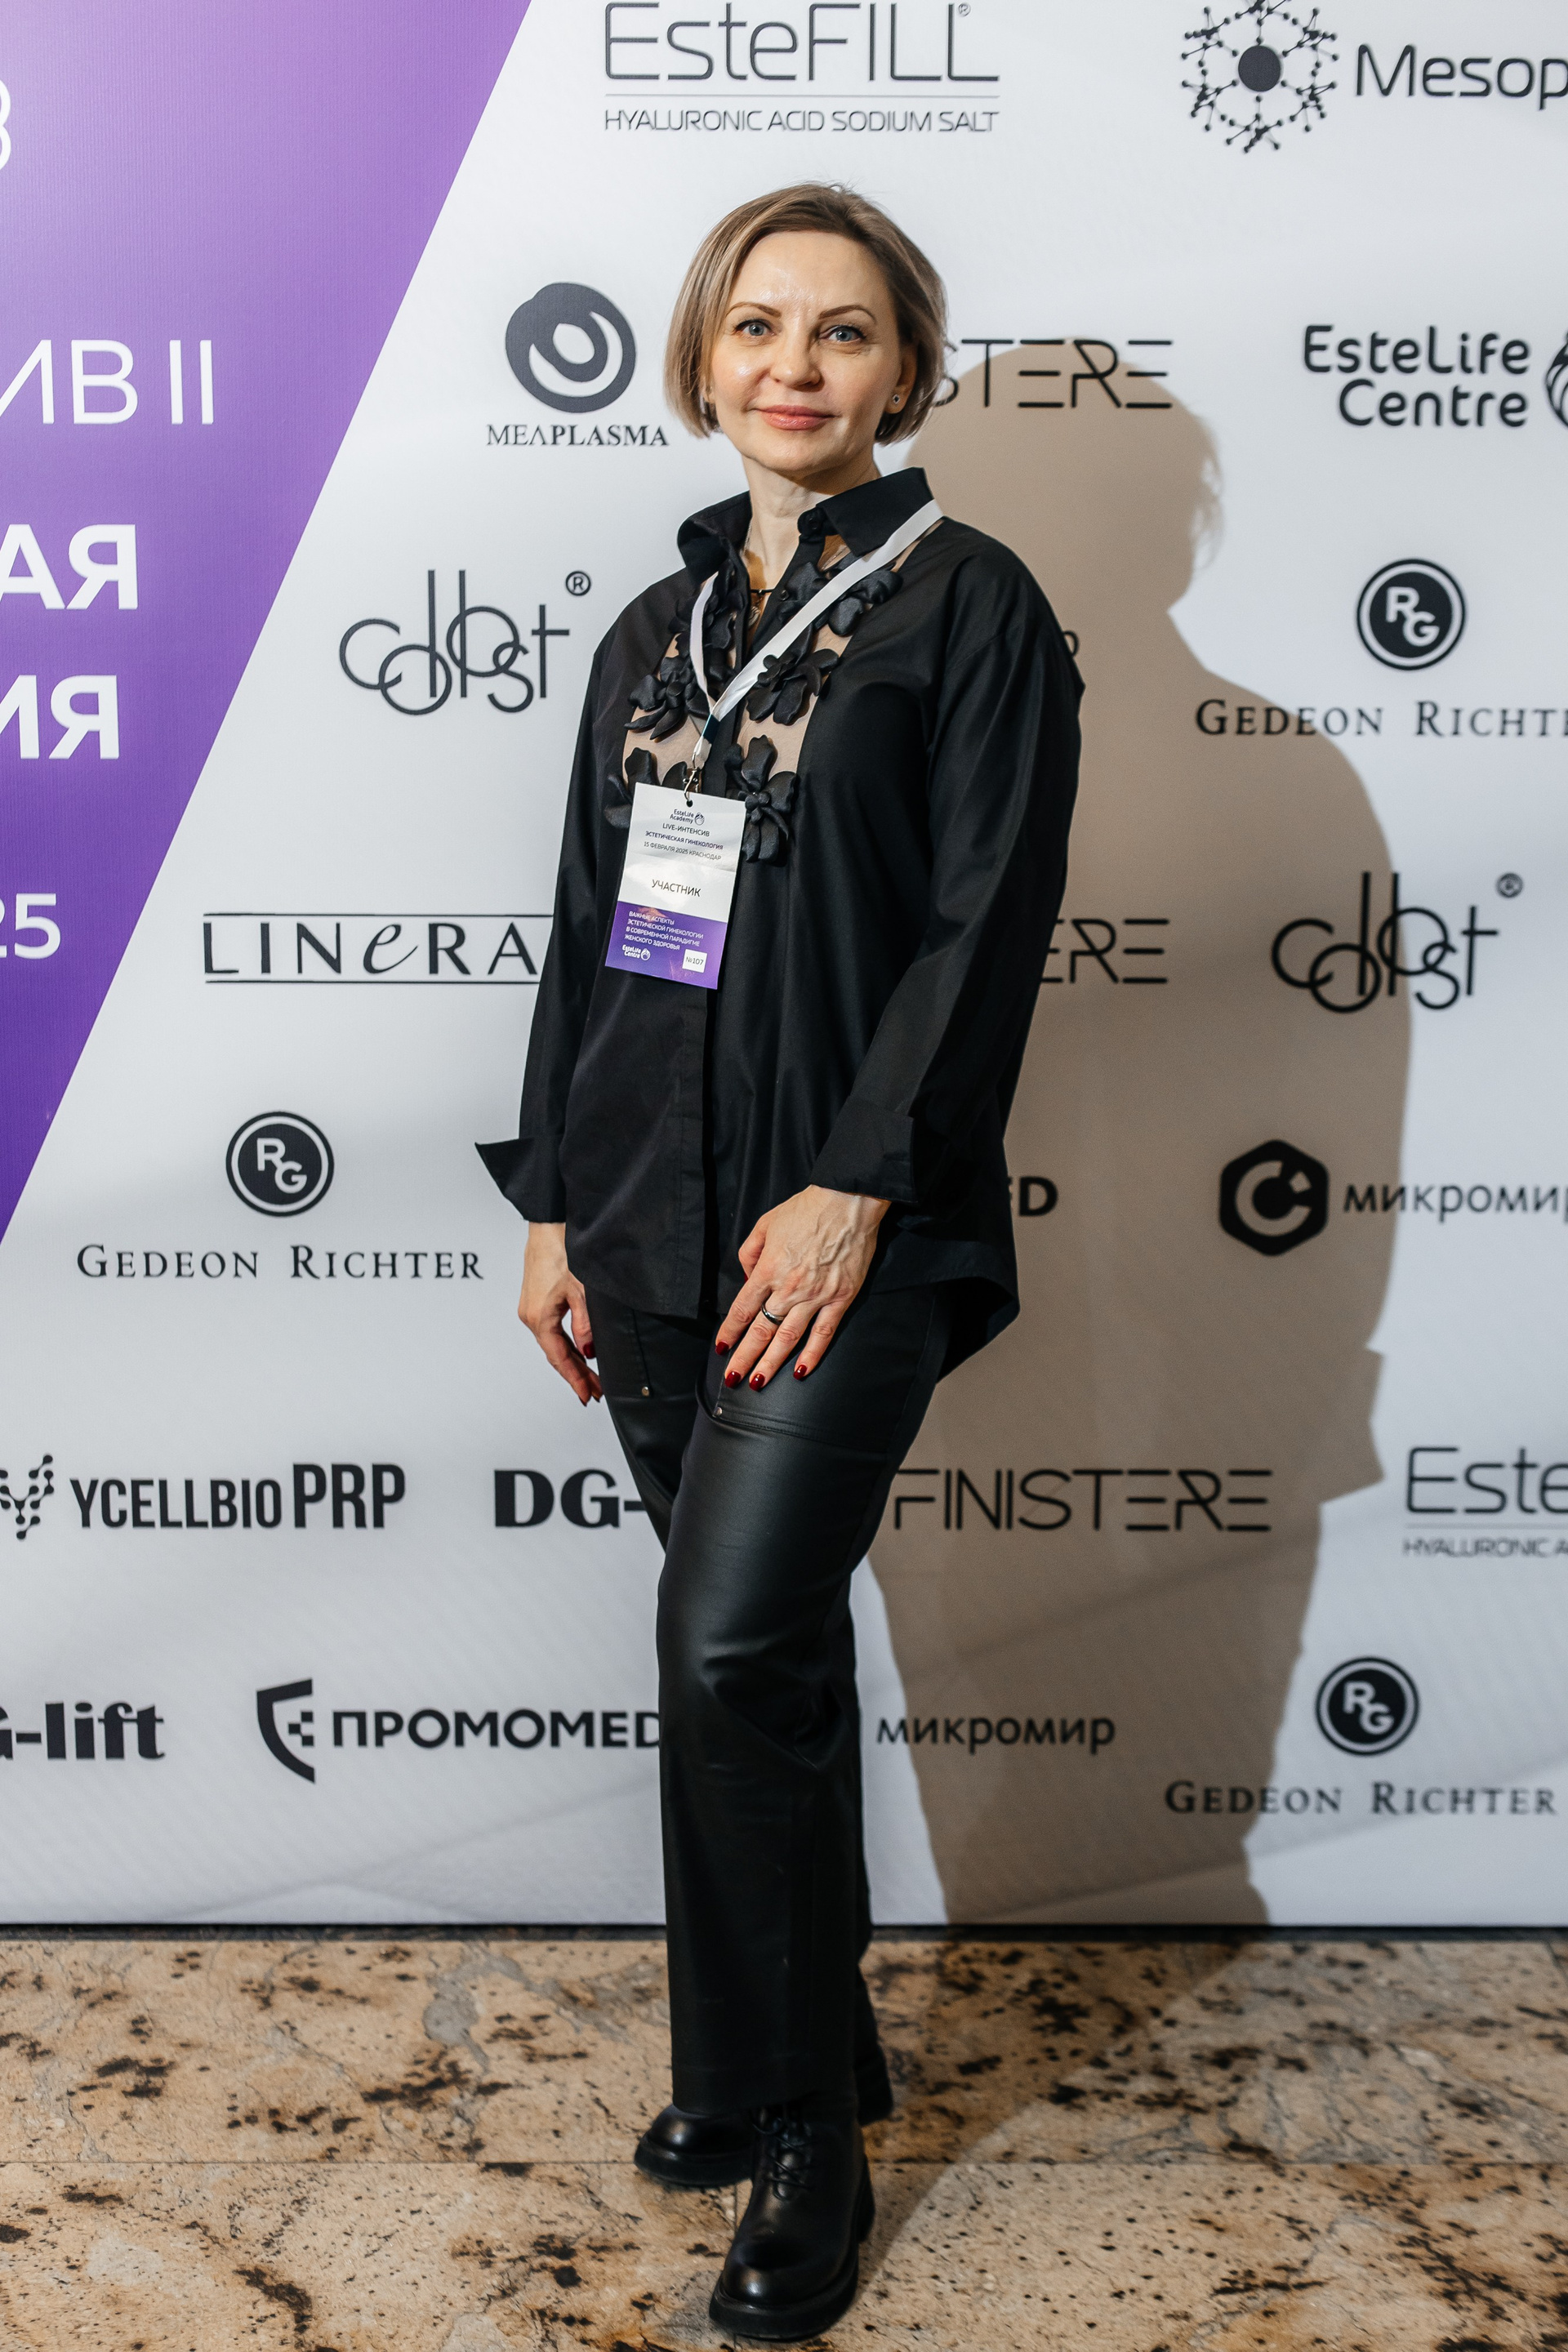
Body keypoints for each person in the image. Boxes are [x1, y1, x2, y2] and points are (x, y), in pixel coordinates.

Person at [481, 181, 1080, 2343]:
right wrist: (557, 1196)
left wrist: (854, 1187)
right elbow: (602, 926)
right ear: (703, 357)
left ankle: (815, 2144)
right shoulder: (659, 632)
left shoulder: (972, 604)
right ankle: (761, 2063)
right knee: (746, 1660)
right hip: (650, 1210)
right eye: (756, 326)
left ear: (904, 367)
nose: (793, 365)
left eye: (840, 330)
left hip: (845, 1225)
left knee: (734, 1642)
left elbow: (981, 928)